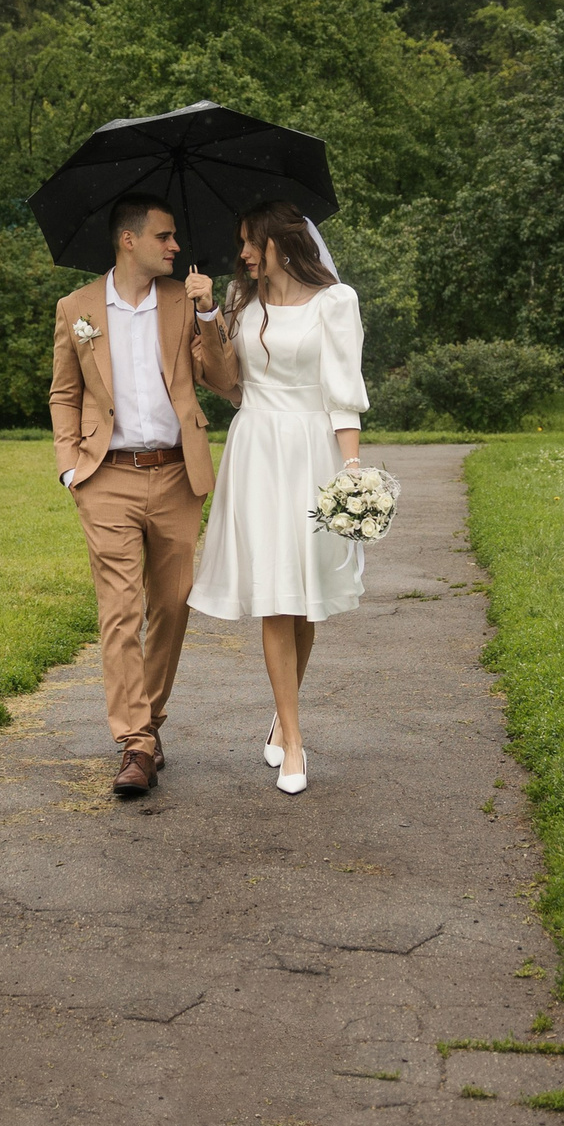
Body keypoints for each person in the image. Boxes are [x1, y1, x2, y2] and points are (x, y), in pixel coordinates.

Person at [49, 195, 237, 800]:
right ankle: (133, 740)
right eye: (164, 236)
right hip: (106, 477)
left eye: (176, 236)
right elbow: (62, 393)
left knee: (174, 604)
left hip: (178, 475)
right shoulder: (76, 308)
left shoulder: (187, 301)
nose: (175, 246)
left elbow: (225, 382)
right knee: (120, 609)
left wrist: (210, 317)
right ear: (129, 241)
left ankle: (148, 727)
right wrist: (68, 467)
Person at [188, 200, 369, 795]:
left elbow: (343, 394)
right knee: (274, 594)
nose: (241, 253)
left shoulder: (335, 304)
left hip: (313, 450)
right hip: (258, 451)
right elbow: (227, 384)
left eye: (250, 241)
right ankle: (293, 739)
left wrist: (352, 472)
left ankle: (279, 711)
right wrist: (208, 312)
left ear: (281, 243)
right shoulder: (243, 305)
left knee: (304, 600)